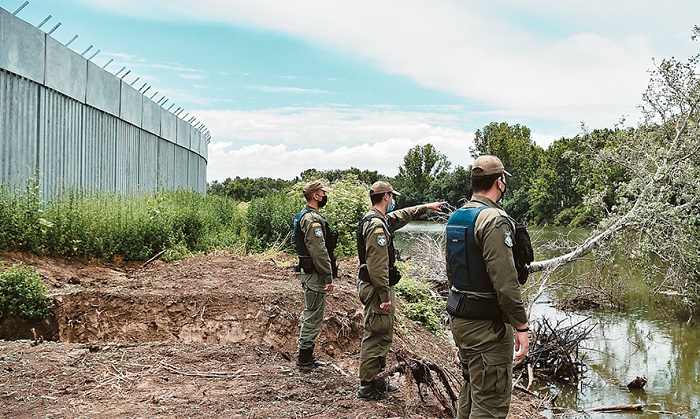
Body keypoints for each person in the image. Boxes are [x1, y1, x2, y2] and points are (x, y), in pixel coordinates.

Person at [445, 155, 529, 418]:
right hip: (487, 328)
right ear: (499, 181)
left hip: (461, 320)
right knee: (491, 403)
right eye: (504, 180)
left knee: (471, 391)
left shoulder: (457, 217)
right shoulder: (493, 219)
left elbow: (452, 273)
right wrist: (521, 325)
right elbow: (505, 282)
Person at [355, 180, 446, 400]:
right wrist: (385, 295)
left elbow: (402, 215)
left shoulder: (379, 219)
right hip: (377, 289)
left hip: (377, 288)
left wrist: (426, 207)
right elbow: (377, 266)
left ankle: (378, 379)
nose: (394, 200)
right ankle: (367, 386)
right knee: (376, 334)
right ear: (386, 197)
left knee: (383, 333)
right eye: (392, 196)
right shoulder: (376, 226)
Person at [293, 181, 338, 370]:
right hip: (314, 275)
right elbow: (318, 251)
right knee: (313, 315)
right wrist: (328, 276)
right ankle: (304, 359)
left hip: (311, 273)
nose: (324, 195)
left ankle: (307, 356)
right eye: (321, 193)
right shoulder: (311, 219)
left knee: (313, 314)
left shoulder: (308, 216)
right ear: (315, 196)